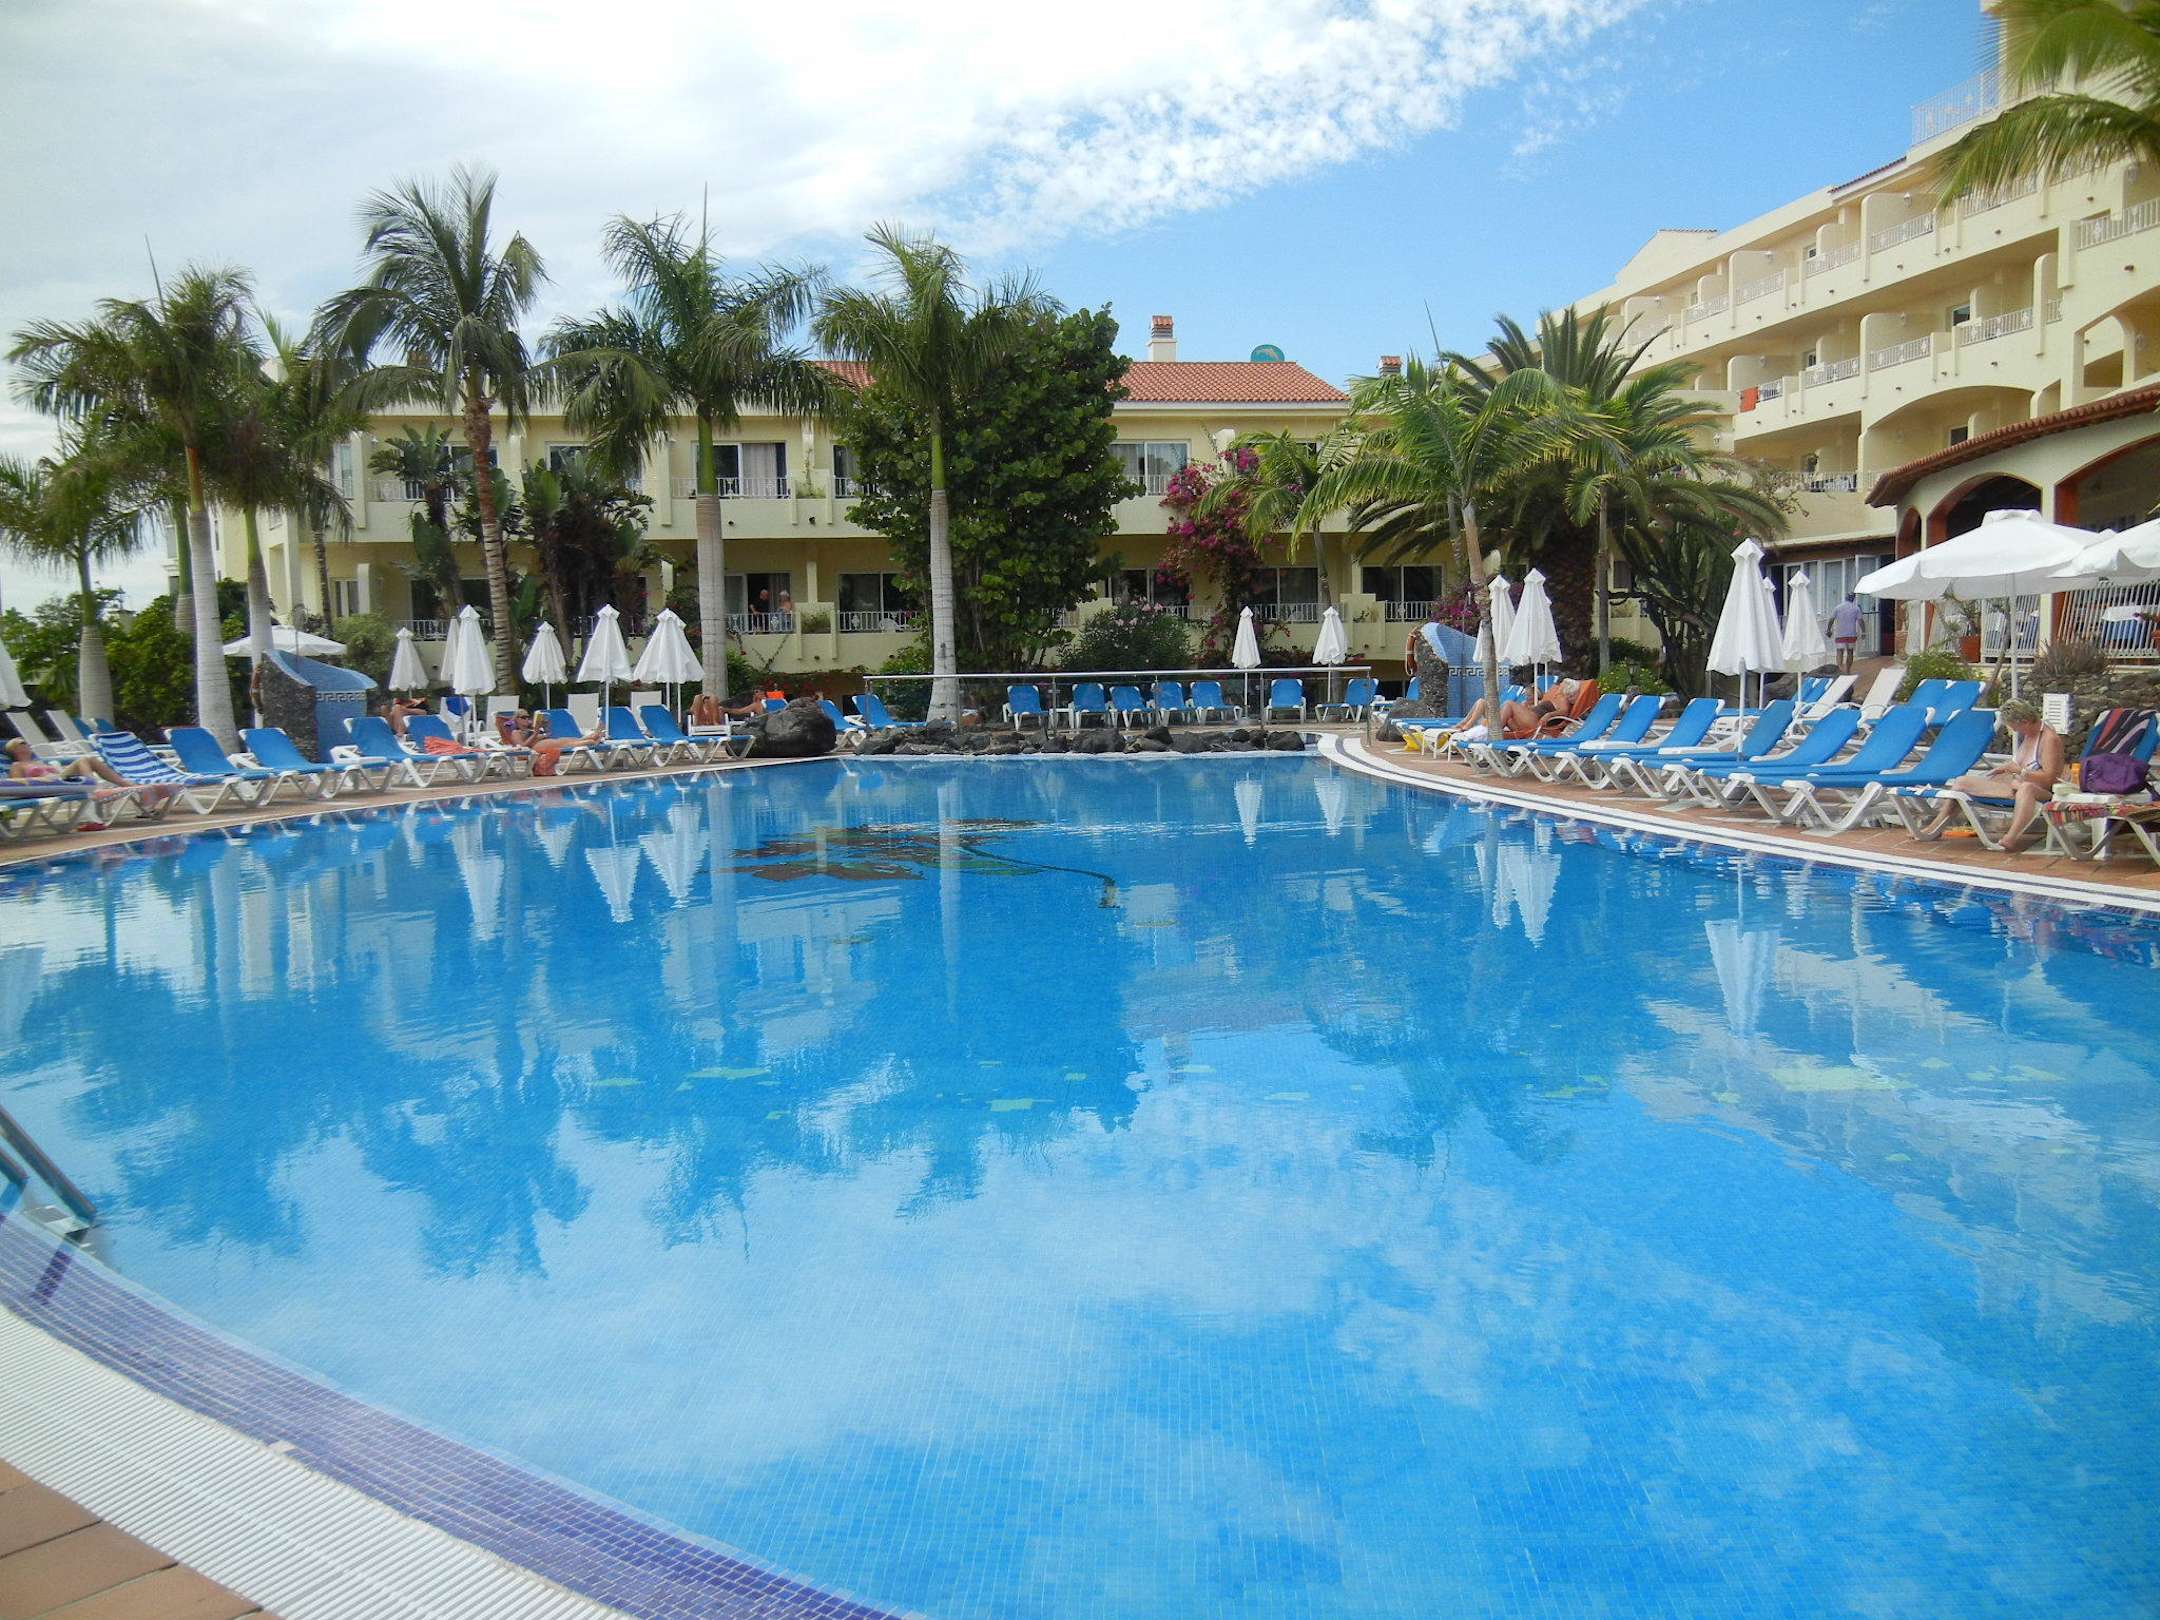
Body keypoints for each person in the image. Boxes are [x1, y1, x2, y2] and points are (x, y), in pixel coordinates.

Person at [1944, 699, 2062, 851]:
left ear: (2025, 722)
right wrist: (2005, 769)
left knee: (2026, 788)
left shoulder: (2049, 739)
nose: (2015, 731)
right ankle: (1936, 826)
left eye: (2015, 727)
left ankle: (2011, 837)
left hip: (2038, 790)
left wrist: (2020, 772)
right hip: (2014, 784)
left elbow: (2050, 778)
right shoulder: (2029, 734)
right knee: (1961, 782)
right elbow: (2020, 765)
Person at [1450, 677, 1590, 744]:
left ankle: (1490, 732)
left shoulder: (1564, 700)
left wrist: (1548, 714)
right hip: (1529, 720)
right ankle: (1472, 727)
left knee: (1509, 704)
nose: (1559, 686)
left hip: (1534, 722)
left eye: (1562, 684)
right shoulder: (1559, 697)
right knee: (1484, 703)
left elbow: (1564, 712)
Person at [1828, 591, 1863, 674]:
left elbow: (1831, 619)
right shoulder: (1856, 608)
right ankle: (1848, 670)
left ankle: (1840, 669)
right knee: (1850, 652)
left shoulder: (1838, 607)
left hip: (1840, 634)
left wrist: (1828, 629)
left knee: (1840, 651)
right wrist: (1864, 631)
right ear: (1853, 599)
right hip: (1851, 634)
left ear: (1845, 598)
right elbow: (1860, 621)